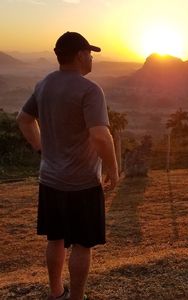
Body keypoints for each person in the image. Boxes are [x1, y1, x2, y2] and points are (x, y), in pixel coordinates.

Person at [17, 32, 119, 300]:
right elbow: (100, 135)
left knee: (56, 238)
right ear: (80, 55)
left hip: (49, 180)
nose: (92, 58)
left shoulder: (44, 85)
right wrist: (113, 169)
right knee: (83, 244)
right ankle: (76, 298)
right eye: (90, 53)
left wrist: (41, 148)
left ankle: (55, 293)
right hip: (82, 183)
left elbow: (24, 119)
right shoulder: (90, 90)